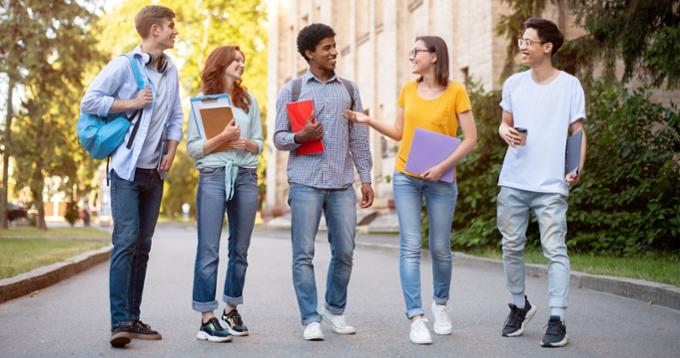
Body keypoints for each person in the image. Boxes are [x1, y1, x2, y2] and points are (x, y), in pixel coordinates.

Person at [345, 36, 477, 344]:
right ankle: (416, 317)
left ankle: (440, 305)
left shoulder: (456, 91)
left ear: (434, 56)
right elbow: (399, 132)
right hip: (406, 174)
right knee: (410, 245)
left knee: (441, 247)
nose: (411, 57)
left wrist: (443, 166)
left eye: (415, 51)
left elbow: (471, 138)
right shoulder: (408, 90)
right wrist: (368, 120)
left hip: (441, 178)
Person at [80, 5, 184, 348]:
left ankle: (134, 318)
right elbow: (89, 101)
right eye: (171, 26)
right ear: (154, 29)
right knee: (126, 242)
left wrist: (171, 150)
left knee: (143, 246)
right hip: (125, 170)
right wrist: (131, 103)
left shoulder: (171, 72)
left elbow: (174, 117)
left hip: (155, 172)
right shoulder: (123, 65)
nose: (175, 31)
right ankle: (119, 321)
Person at [273, 23, 374, 341]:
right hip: (305, 182)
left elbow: (358, 138)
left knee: (344, 251)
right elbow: (278, 137)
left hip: (343, 183)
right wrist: (299, 137)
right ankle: (310, 318)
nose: (334, 52)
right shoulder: (293, 90)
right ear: (309, 53)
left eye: (335, 46)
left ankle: (334, 309)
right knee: (303, 254)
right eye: (327, 47)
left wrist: (366, 179)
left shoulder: (349, 89)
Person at [496, 17, 587, 348]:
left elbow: (577, 131)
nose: (522, 46)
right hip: (514, 180)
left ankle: (557, 317)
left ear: (547, 48)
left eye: (528, 41)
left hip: (550, 184)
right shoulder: (514, 84)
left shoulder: (569, 86)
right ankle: (519, 305)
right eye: (520, 40)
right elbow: (505, 125)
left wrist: (574, 167)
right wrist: (505, 132)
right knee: (510, 246)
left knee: (555, 249)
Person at [186, 45, 263, 343]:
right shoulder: (204, 102)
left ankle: (231, 309)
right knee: (208, 250)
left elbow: (259, 141)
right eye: (236, 61)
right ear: (221, 64)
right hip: (214, 175)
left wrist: (246, 143)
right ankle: (207, 318)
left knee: (240, 250)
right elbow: (193, 148)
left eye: (243, 61)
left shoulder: (248, 101)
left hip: (245, 176)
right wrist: (223, 138)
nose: (241, 65)